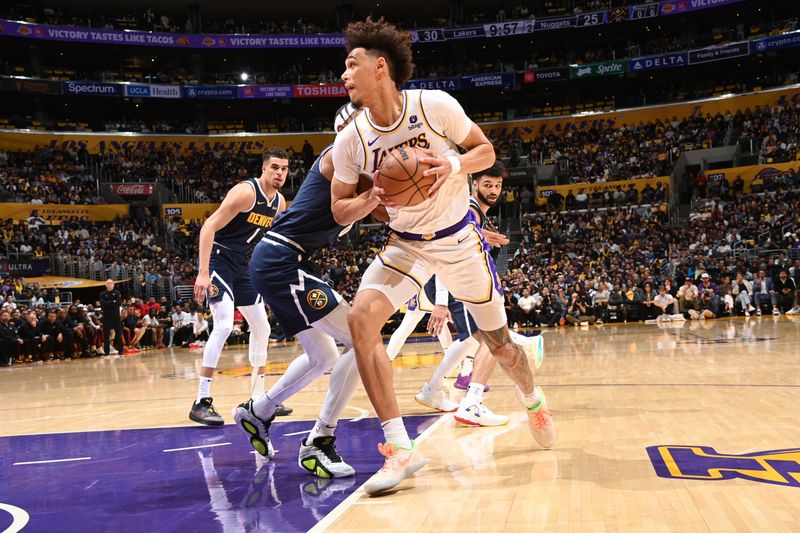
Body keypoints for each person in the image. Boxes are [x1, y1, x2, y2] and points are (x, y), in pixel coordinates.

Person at [329, 18, 554, 495]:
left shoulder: (433, 106)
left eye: (352, 65)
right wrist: (370, 201)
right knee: (361, 319)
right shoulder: (351, 139)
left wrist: (452, 164)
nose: (344, 75)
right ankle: (399, 448)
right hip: (406, 246)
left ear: (381, 67)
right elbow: (338, 206)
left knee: (501, 347)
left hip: (459, 240)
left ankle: (533, 400)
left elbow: (485, 152)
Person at [233, 102, 383, 479]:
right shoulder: (335, 156)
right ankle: (319, 441)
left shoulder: (362, 173)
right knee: (360, 339)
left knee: (323, 356)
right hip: (281, 259)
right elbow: (344, 212)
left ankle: (260, 410)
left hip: (286, 261)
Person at [191, 147, 292, 426]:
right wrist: (202, 273)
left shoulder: (279, 203)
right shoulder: (246, 193)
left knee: (263, 326)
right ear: (264, 169)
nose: (280, 173)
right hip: (218, 259)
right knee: (223, 325)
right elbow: (208, 227)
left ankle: (259, 398)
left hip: (243, 264)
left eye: (284, 168)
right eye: (275, 167)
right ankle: (201, 401)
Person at [98, 279, 123, 356]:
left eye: (111, 283)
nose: (110, 284)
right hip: (106, 317)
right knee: (106, 335)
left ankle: (120, 351)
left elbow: (118, 303)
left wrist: (108, 303)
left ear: (113, 285)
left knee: (118, 334)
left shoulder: (117, 293)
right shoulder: (102, 293)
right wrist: (113, 302)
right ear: (105, 285)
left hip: (116, 317)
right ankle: (106, 351)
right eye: (108, 283)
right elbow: (102, 303)